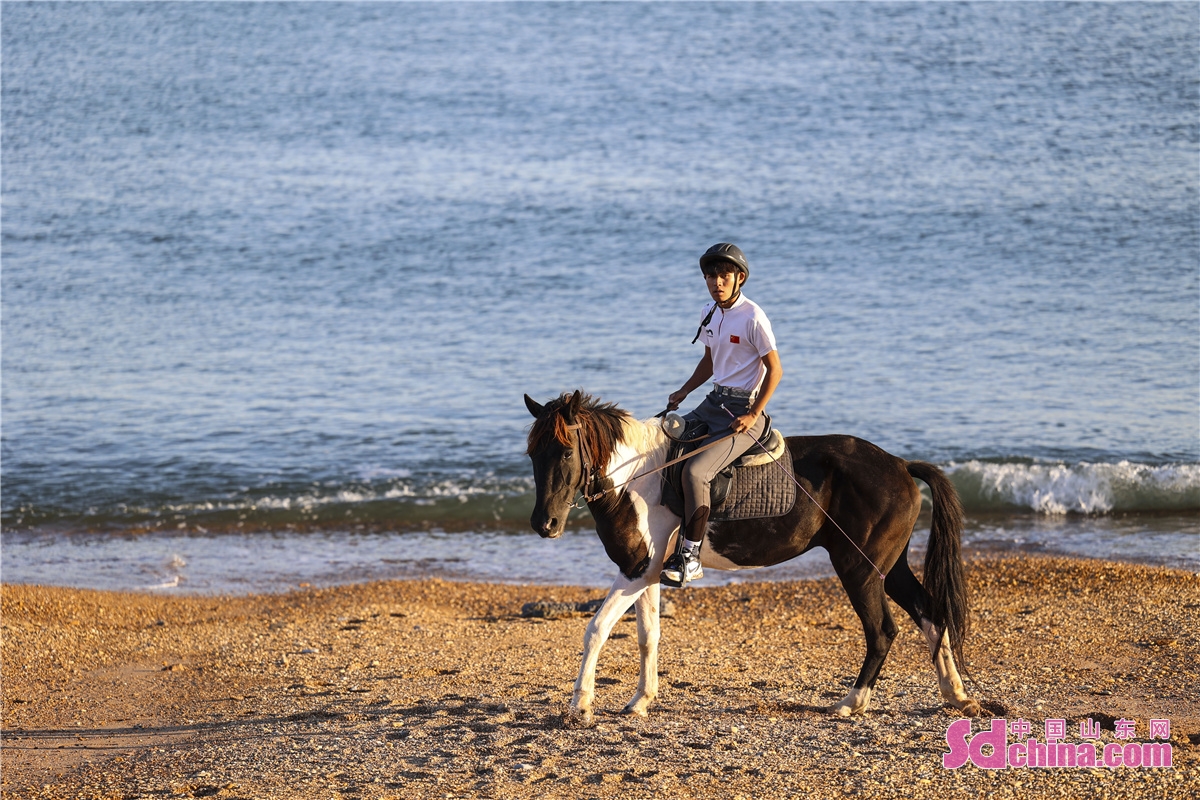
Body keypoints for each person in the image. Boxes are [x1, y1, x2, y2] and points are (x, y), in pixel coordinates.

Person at [660, 243, 783, 587]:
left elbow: (775, 370)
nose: (717, 282)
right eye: (711, 276)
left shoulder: (753, 317)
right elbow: (711, 362)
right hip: (713, 402)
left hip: (744, 411)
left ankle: (691, 555)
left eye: (724, 275)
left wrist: (754, 412)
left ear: (739, 278)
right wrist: (684, 390)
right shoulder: (708, 312)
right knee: (665, 440)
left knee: (697, 472)